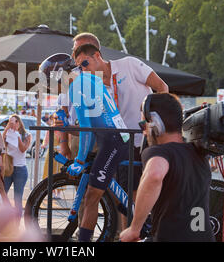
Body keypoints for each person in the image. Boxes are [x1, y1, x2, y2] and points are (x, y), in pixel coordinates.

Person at [72, 33, 168, 229]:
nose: (82, 71)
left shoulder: (129, 65)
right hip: (121, 143)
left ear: (97, 55)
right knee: (124, 200)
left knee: (146, 195)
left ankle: (150, 232)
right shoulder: (92, 87)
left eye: (84, 65)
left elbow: (162, 88)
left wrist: (153, 121)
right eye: (79, 67)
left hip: (147, 142)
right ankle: (128, 234)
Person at [40, 53, 130, 242]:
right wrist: (68, 128)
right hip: (113, 137)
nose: (56, 90)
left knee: (91, 198)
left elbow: (87, 131)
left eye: (53, 84)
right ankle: (139, 215)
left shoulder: (76, 88)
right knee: (107, 193)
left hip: (111, 140)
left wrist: (80, 160)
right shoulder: (87, 77)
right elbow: (88, 126)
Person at [120, 93, 215, 242]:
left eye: (143, 125)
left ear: (155, 123)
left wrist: (134, 229)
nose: (144, 131)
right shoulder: (199, 153)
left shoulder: (158, 152)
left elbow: (154, 175)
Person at [2, 114, 31, 219]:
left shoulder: (26, 135)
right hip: (9, 168)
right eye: (9, 122)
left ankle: (16, 222)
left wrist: (18, 137)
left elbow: (23, 149)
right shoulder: (9, 133)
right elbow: (2, 142)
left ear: (18, 123)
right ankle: (7, 216)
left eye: (13, 122)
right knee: (2, 193)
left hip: (20, 170)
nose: (11, 125)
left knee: (17, 198)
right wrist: (7, 129)